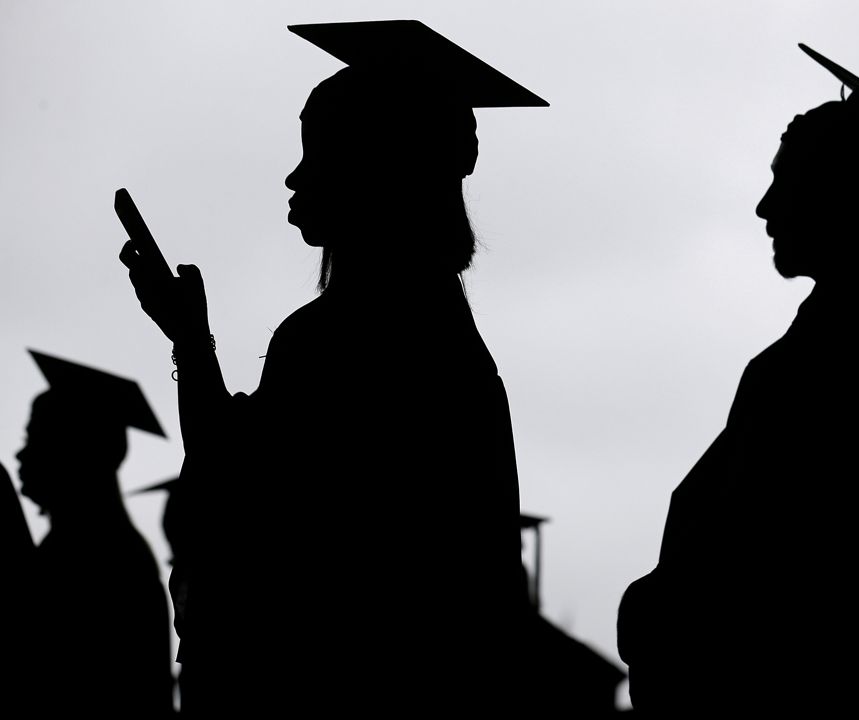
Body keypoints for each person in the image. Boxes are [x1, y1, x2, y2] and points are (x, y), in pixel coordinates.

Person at [118, 20, 545, 715]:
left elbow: (240, 500)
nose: (295, 176)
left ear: (376, 170)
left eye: (319, 152)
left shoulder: (343, 342)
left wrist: (192, 346)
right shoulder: (438, 335)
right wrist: (189, 339)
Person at [617, 44, 859, 715]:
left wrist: (662, 608)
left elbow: (790, 571)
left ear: (845, 196)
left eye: (788, 180)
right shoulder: (854, 348)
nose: (766, 207)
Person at [14, 350, 175, 716]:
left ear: (80, 452)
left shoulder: (96, 559)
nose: (21, 455)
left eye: (37, 438)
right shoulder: (105, 547)